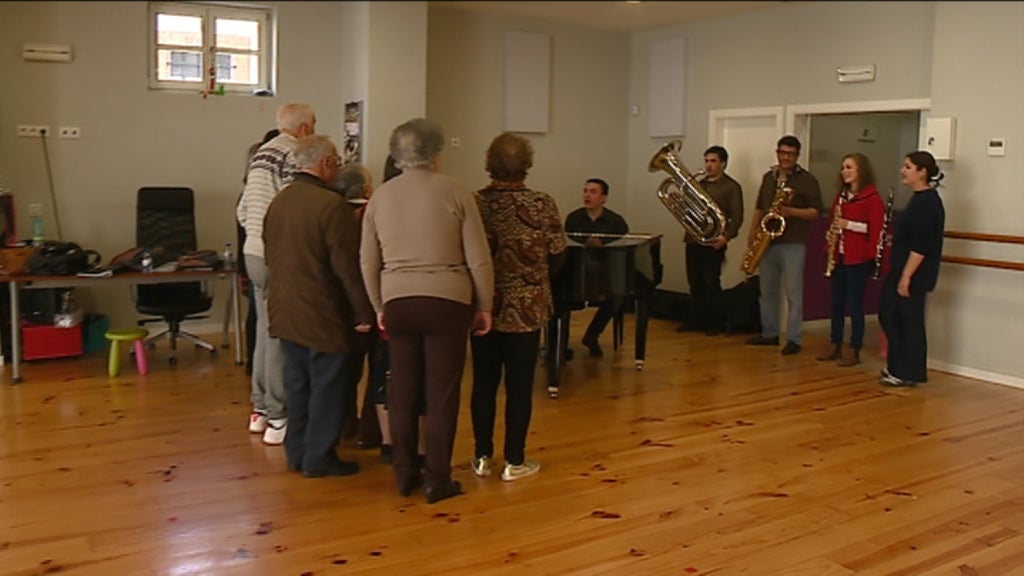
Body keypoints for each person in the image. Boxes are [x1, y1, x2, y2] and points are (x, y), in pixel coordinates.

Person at [360, 118, 494, 504]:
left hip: (398, 300)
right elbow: (479, 259)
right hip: (447, 301)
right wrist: (484, 304)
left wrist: (378, 305)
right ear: (436, 154)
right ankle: (438, 479)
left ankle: (404, 473)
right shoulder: (456, 191)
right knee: (442, 393)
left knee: (401, 390)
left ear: (396, 154)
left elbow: (367, 260)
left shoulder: (380, 196)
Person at [262, 135, 374, 477]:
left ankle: (296, 452)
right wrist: (363, 312)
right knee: (328, 386)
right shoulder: (330, 206)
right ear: (325, 164)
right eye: (336, 161)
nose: (338, 168)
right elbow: (348, 268)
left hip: (285, 309)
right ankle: (319, 457)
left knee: (298, 385)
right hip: (322, 313)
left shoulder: (280, 201)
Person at [470, 132, 567, 482]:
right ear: (526, 165)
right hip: (527, 309)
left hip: (483, 306)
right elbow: (558, 254)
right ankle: (514, 461)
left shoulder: (475, 203)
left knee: (483, 383)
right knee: (520, 386)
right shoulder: (543, 203)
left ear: (489, 163)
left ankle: (481, 456)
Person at [237, 103, 316, 444]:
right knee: (281, 337)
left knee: (264, 334)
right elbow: (293, 206)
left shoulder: (260, 154)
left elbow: (244, 210)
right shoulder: (294, 154)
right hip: (276, 253)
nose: (313, 132)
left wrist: (256, 232)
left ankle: (259, 411)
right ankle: (279, 417)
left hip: (252, 252)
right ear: (302, 129)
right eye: (312, 125)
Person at [745, 135, 823, 355]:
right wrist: (752, 233)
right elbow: (760, 207)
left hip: (793, 242)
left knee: (793, 294)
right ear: (777, 152)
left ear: (797, 156)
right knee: (766, 291)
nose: (785, 157)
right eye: (782, 153)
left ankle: (794, 339)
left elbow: (816, 212)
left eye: (790, 154)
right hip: (767, 241)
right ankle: (769, 333)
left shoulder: (807, 180)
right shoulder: (769, 178)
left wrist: (790, 212)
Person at [878, 151, 945, 387]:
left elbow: (922, 244)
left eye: (908, 167)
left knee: (907, 322)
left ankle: (908, 372)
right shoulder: (918, 199)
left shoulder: (927, 202)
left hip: (912, 272)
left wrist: (906, 276)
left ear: (922, 172)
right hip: (903, 267)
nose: (902, 171)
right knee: (891, 316)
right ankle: (898, 367)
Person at [816, 153, 885, 367]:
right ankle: (835, 343)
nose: (844, 171)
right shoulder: (842, 196)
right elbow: (834, 223)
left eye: (849, 167)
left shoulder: (873, 198)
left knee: (854, 304)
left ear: (860, 171)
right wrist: (830, 237)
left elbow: (876, 230)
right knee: (836, 303)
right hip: (840, 255)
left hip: (859, 258)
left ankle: (855, 348)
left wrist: (848, 225)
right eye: (843, 167)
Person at [679, 145, 744, 336]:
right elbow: (687, 208)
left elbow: (738, 216)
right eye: (707, 161)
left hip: (714, 240)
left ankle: (714, 323)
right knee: (694, 281)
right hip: (693, 238)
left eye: (713, 161)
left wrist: (726, 237)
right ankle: (695, 320)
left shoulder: (731, 186)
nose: (709, 165)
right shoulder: (698, 184)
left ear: (723, 164)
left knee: (710, 282)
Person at [563, 178, 629, 357]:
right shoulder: (573, 218)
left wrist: (603, 244)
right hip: (577, 272)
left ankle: (592, 336)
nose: (587, 195)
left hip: (604, 272)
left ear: (604, 198)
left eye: (593, 192)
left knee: (616, 296)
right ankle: (561, 346)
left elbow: (621, 250)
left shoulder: (616, 222)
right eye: (585, 191)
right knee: (562, 297)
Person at [238, 128, 281, 376]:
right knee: (264, 323)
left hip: (250, 260)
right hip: (260, 260)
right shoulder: (259, 197)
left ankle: (256, 371)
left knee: (259, 318)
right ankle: (261, 376)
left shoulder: (246, 195)